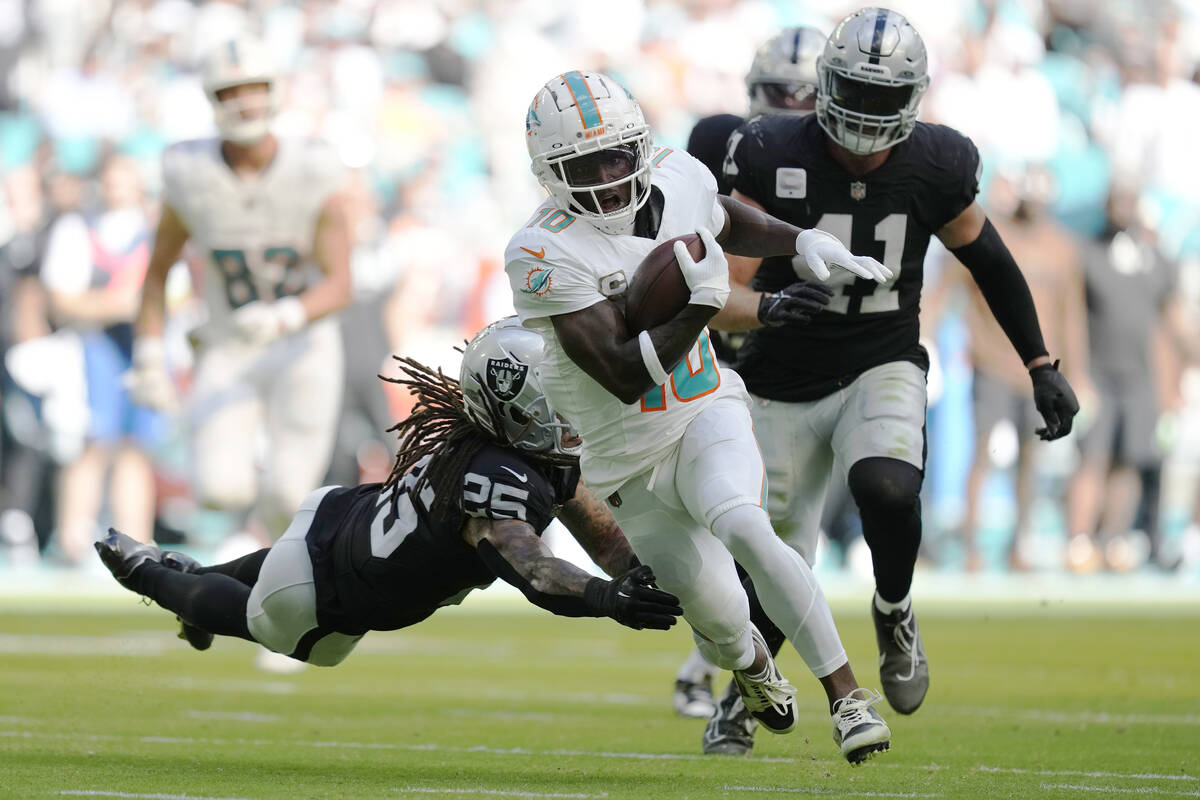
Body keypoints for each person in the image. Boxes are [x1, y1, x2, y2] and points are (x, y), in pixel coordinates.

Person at [703, 7, 1081, 752]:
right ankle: (748, 691)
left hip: (880, 357)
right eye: (859, 93)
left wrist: (1040, 364)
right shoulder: (772, 148)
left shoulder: (936, 163)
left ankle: (895, 607)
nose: (870, 116)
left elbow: (991, 261)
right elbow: (724, 297)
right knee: (779, 560)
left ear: (914, 98)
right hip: (779, 376)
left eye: (886, 98)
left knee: (887, 485)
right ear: (827, 84)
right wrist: (771, 309)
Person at [507, 69, 893, 764]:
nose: (605, 178)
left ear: (639, 147)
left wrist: (796, 241)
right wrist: (700, 304)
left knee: (744, 520)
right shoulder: (541, 252)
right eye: (582, 165)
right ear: (549, 174)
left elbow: (717, 213)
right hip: (628, 458)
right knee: (718, 618)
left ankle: (847, 698)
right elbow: (623, 373)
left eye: (616, 157)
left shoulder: (677, 175)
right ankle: (752, 668)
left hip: (703, 405)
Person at [96, 319, 684, 666]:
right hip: (335, 588)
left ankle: (190, 571)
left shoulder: (498, 445)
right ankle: (149, 574)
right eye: (553, 397)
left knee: (265, 569)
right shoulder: (498, 478)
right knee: (258, 621)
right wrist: (612, 599)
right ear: (513, 409)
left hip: (343, 514)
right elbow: (532, 570)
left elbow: (593, 523)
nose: (569, 406)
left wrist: (634, 574)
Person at [673, 25, 829, 723]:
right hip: (719, 340)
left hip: (796, 354)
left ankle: (713, 670)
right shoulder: (719, 142)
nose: (791, 107)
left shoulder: (854, 161)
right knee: (718, 529)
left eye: (805, 95)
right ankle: (717, 665)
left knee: (771, 533)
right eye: (779, 93)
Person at [950, 166, 1090, 572]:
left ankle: (1017, 546)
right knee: (983, 452)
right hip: (992, 360)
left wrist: (1077, 372)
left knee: (1033, 457)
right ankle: (971, 545)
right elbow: (952, 283)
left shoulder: (1063, 248)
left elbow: (1071, 316)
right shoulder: (994, 236)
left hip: (1039, 371)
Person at [1066, 187, 1197, 572]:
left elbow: (1174, 322)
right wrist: (1076, 373)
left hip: (1141, 377)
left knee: (1129, 460)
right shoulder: (1089, 254)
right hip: (1098, 372)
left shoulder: (1155, 260)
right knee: (1092, 456)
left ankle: (1114, 539)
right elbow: (1072, 317)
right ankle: (1080, 539)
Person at [39, 154, 161, 563]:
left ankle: (136, 542)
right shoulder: (78, 228)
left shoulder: (153, 229)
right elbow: (62, 300)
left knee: (137, 447)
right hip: (94, 349)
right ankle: (73, 539)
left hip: (142, 349)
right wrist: (120, 305)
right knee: (92, 445)